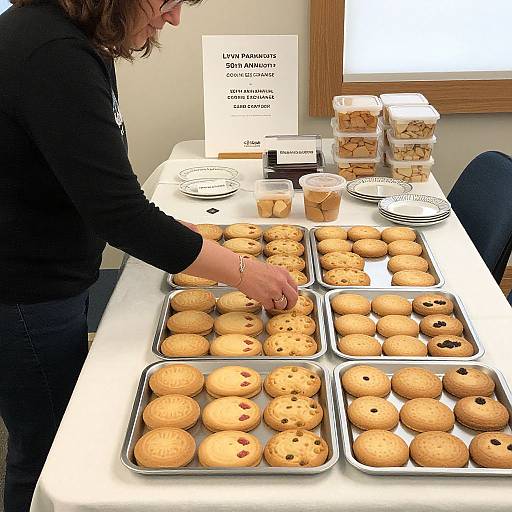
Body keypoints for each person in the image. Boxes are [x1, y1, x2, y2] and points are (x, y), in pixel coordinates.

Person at [0, 1, 298, 510]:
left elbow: (94, 182)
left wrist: (171, 234)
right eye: (167, 0)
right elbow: (117, 212)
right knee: (50, 448)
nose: (175, 17)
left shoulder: (76, 38)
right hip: (25, 289)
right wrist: (241, 270)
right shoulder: (53, 52)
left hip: (49, 270)